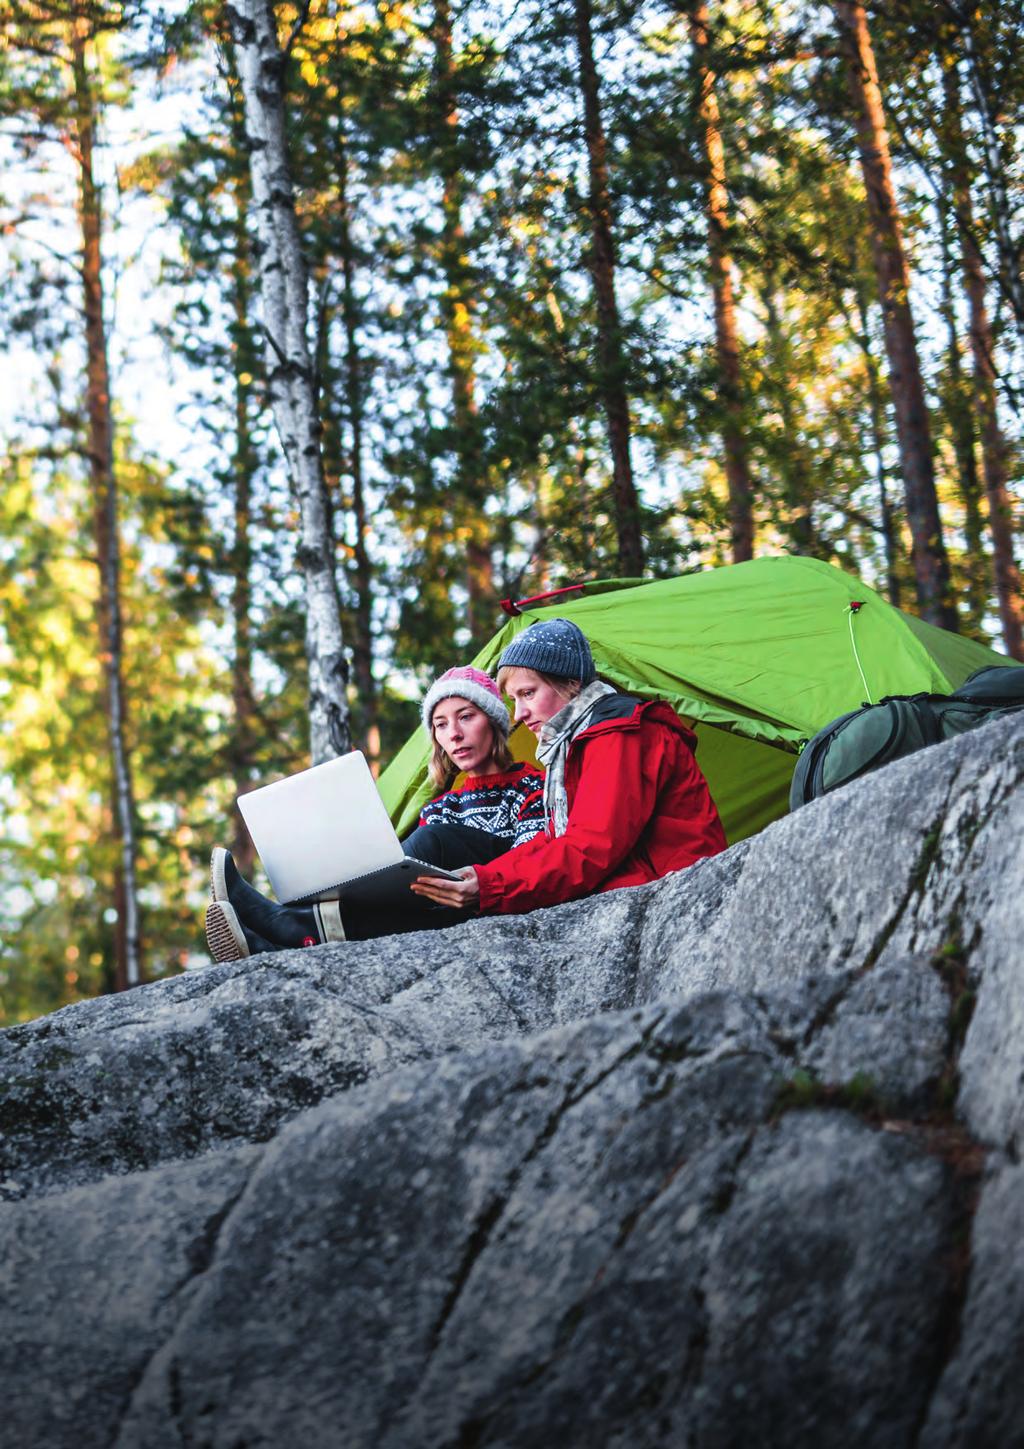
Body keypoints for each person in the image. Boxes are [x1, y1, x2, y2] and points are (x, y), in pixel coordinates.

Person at [205, 666, 544, 962]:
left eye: (466, 717)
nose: (453, 734)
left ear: (495, 723)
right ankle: (273, 946)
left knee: (431, 841)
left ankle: (286, 922)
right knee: (394, 878)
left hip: (494, 897)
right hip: (441, 915)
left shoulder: (534, 787)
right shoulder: (441, 807)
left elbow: (531, 862)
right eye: (440, 725)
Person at [410, 617, 726, 916]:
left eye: (528, 693)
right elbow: (555, 840)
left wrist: (490, 887)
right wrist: (485, 875)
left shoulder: (618, 733)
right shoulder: (575, 743)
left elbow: (589, 848)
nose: (518, 714)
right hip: (632, 890)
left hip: (672, 895)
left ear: (572, 684)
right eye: (514, 699)